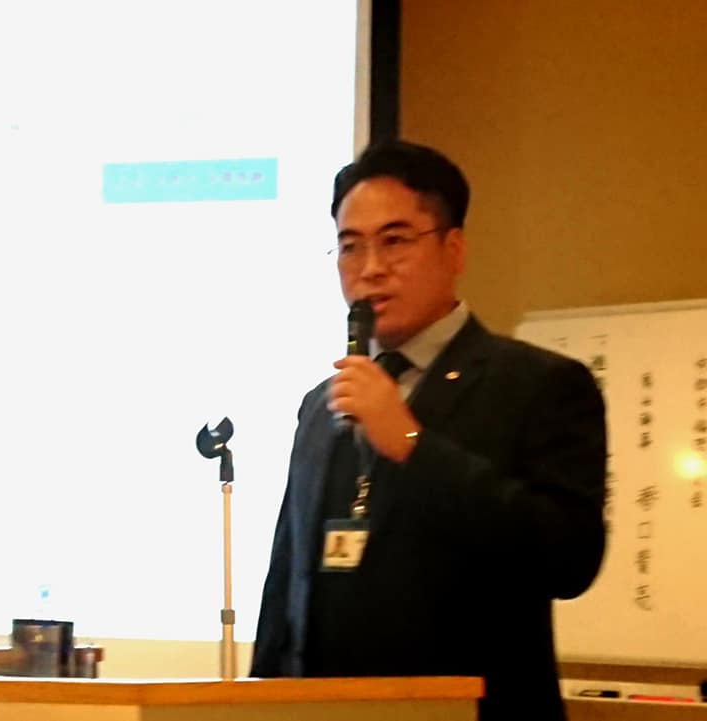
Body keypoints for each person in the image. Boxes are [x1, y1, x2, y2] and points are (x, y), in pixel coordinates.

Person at [249, 140, 607, 721]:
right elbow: (287, 589)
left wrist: (413, 447)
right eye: (350, 246)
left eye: (395, 241)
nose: (370, 268)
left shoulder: (538, 385)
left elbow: (569, 560)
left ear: (454, 248)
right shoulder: (321, 406)